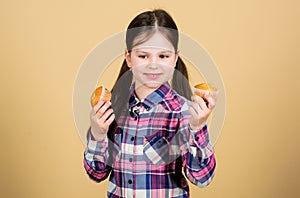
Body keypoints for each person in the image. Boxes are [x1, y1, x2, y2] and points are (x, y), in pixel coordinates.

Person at [83, 9, 217, 198]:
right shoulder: (113, 109)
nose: (153, 64)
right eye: (143, 56)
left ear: (175, 58)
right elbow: (96, 174)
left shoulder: (185, 112)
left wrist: (197, 128)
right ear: (129, 58)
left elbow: (202, 178)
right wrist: (97, 135)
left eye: (163, 56)